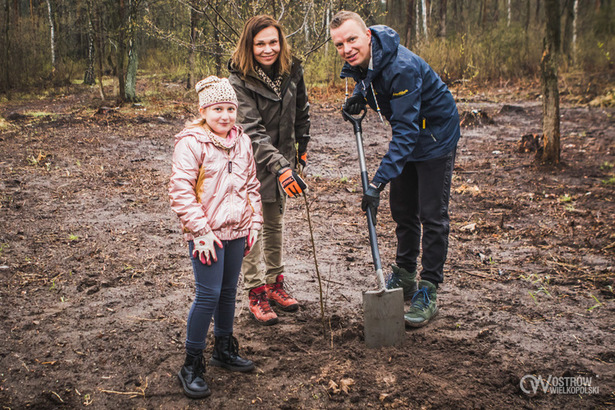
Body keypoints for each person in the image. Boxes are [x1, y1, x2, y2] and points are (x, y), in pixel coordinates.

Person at [330, 11, 460, 328]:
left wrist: (376, 182)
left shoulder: (401, 68)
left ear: (368, 36)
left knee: (431, 214)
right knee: (402, 209)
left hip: (435, 137)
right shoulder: (365, 62)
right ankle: (404, 274)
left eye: (351, 39)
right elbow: (372, 82)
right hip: (410, 133)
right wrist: (360, 95)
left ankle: (427, 289)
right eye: (339, 44)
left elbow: (405, 133)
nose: (346, 49)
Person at [169, 76, 263, 399]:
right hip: (207, 235)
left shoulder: (243, 142)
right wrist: (201, 232)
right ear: (203, 110)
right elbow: (181, 190)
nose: (225, 116)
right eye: (217, 109)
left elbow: (252, 185)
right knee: (208, 294)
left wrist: (254, 223)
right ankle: (191, 364)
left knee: (227, 292)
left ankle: (223, 349)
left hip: (237, 230)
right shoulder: (192, 142)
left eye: (230, 109)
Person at [228, 15, 311, 326]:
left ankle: (276, 284)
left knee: (275, 222)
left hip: (284, 162)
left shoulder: (292, 69)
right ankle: (256, 291)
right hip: (251, 161)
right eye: (260, 43)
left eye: (273, 42)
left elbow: (302, 110)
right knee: (253, 229)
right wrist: (280, 167)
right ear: (250, 45)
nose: (267, 49)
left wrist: (301, 148)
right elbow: (251, 131)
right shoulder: (239, 79)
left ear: (281, 42)